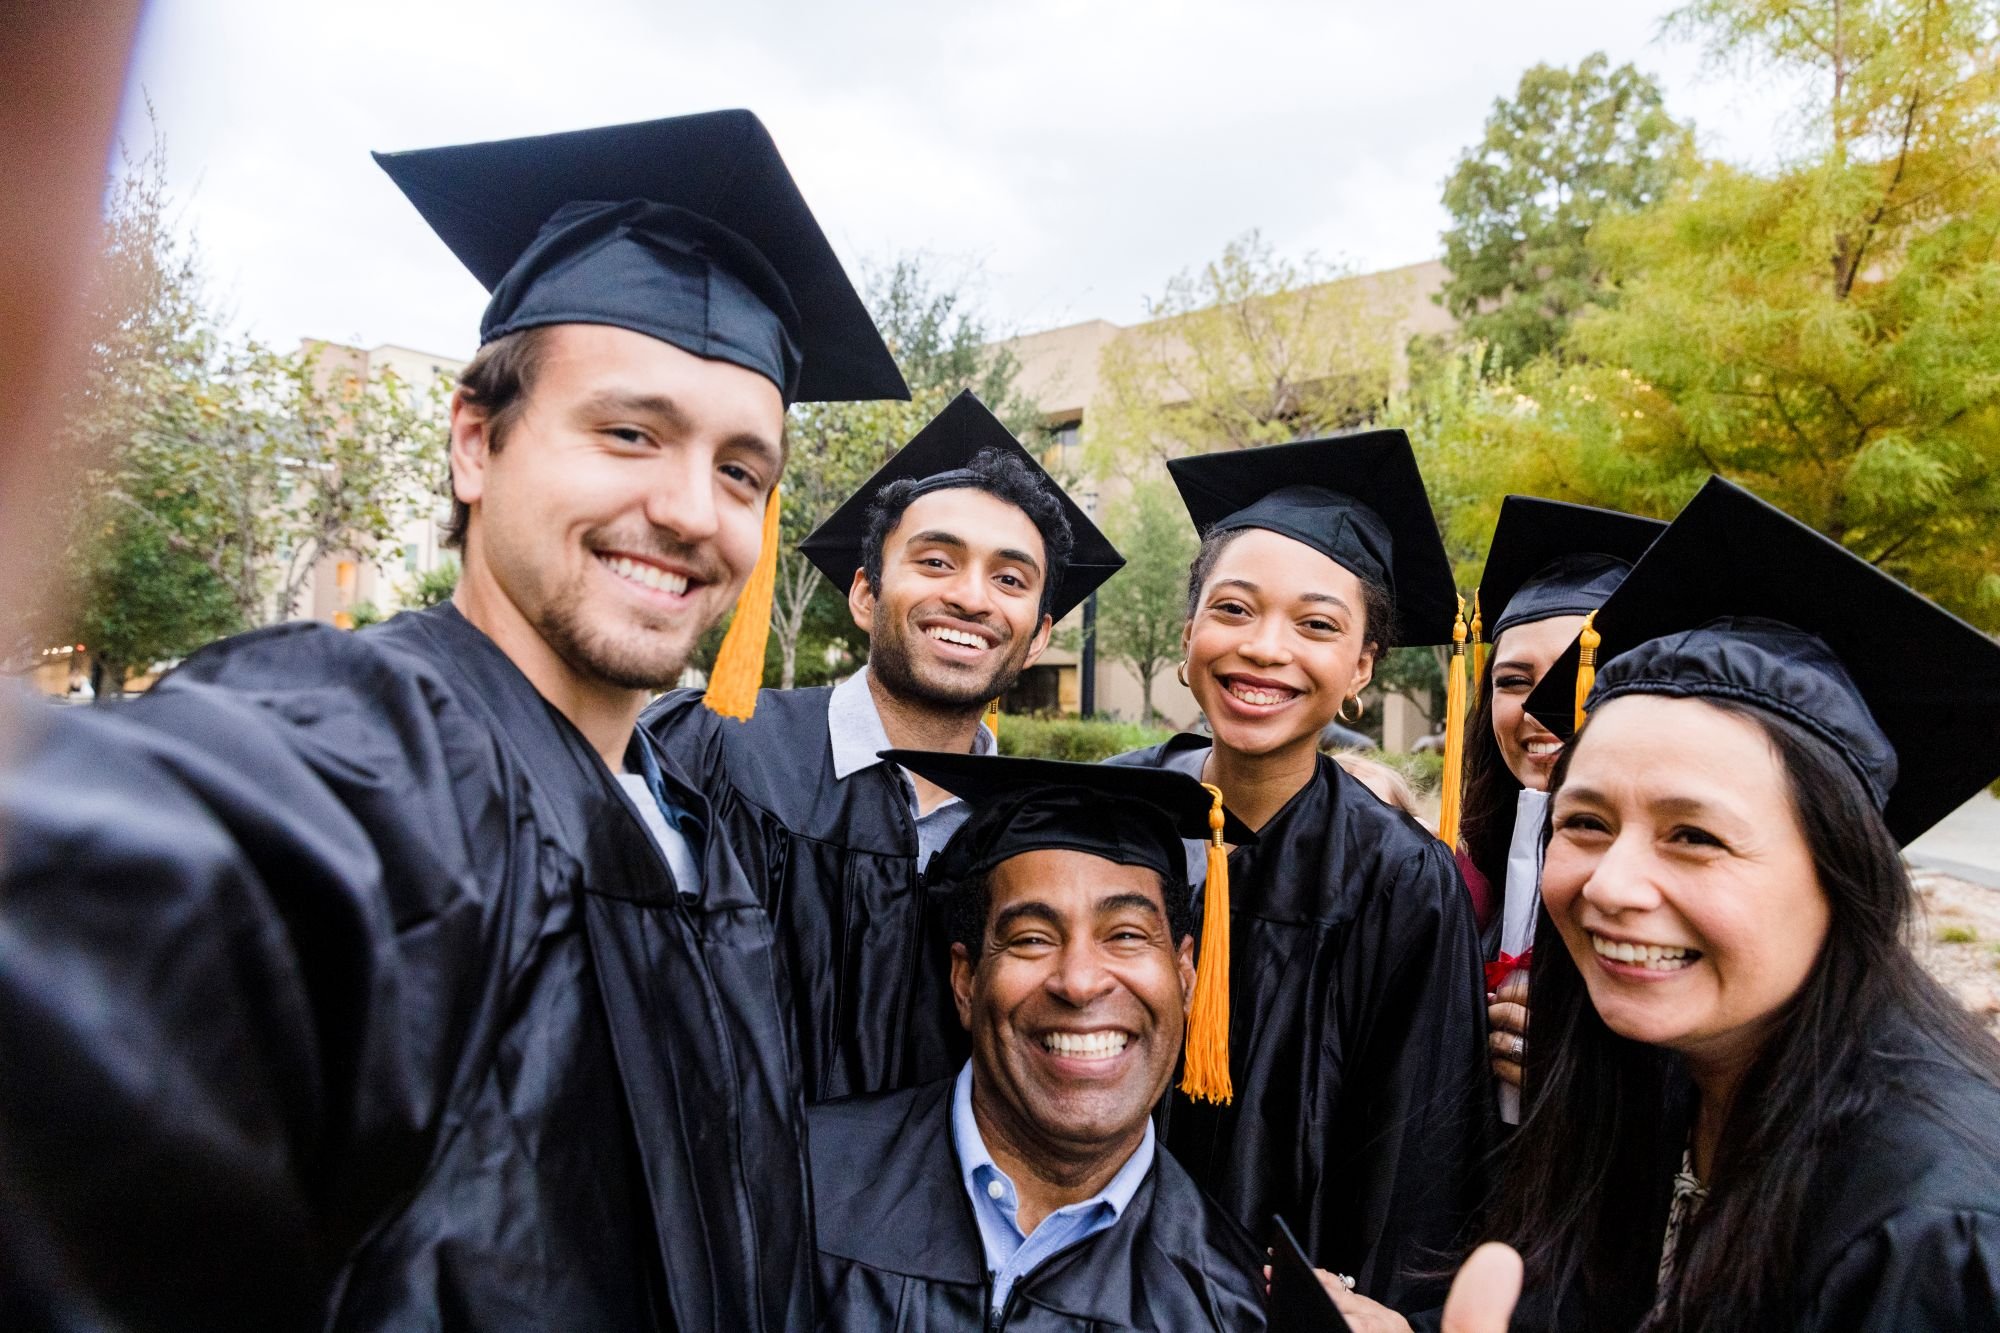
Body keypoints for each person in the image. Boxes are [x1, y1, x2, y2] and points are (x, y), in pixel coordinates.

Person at [0, 110, 909, 1330]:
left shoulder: (694, 823)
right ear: (476, 442)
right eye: (629, 432)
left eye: (741, 469)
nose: (694, 510)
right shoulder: (382, 755)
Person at [1338, 475, 2000, 1330]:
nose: (1610, 884)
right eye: (1584, 821)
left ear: (1843, 873)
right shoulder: (1660, 1082)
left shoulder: (1934, 1235)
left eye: (1694, 836)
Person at [646, 390, 1122, 1101]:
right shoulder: (715, 754)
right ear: (866, 594)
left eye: (1010, 578)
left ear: (1039, 636)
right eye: (935, 561)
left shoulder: (1035, 838)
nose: (971, 597)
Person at [1109, 429, 1491, 1309]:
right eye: (1234, 609)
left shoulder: (1402, 881)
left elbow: (1420, 1165)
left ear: (1360, 667)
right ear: (1190, 632)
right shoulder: (1105, 812)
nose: (1266, 648)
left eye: (1317, 625)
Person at [807, 752, 1268, 1331]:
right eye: (1030, 939)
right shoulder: (794, 1184)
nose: (1079, 982)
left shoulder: (1229, 1305)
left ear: (1185, 979)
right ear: (966, 981)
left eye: (1125, 935)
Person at [1459, 497, 1663, 1112]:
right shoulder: (1461, 878)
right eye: (1514, 681)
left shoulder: (1671, 893)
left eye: (1580, 677)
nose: (1542, 709)